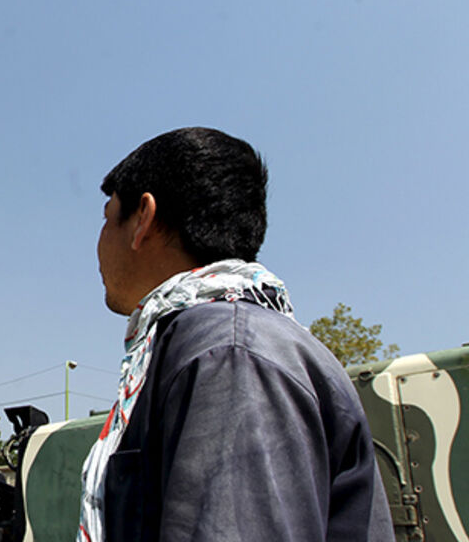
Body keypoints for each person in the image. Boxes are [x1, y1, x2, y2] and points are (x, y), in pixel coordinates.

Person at [78, 127, 392, 542]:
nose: (99, 242)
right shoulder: (222, 340)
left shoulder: (227, 352)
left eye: (107, 218)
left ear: (143, 218)